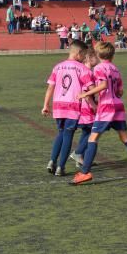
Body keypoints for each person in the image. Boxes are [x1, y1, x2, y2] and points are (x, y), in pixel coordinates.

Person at [72, 42, 127, 185]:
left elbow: (103, 85)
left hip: (106, 107)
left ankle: (85, 172)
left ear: (98, 55)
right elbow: (120, 91)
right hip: (118, 105)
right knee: (125, 137)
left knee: (93, 138)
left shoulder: (99, 68)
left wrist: (84, 94)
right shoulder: (115, 69)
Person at [41, 40, 93, 177]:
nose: (84, 58)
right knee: (68, 135)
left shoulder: (57, 67)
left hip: (58, 104)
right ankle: (61, 167)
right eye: (84, 55)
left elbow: (50, 87)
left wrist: (46, 105)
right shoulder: (82, 68)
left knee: (61, 133)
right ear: (79, 53)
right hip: (72, 105)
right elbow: (91, 88)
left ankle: (52, 161)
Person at [70, 49, 100, 169]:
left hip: (83, 106)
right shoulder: (87, 72)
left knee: (87, 131)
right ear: (89, 58)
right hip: (87, 106)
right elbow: (86, 92)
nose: (98, 60)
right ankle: (77, 153)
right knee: (94, 131)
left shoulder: (85, 71)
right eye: (96, 57)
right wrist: (94, 105)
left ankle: (81, 158)